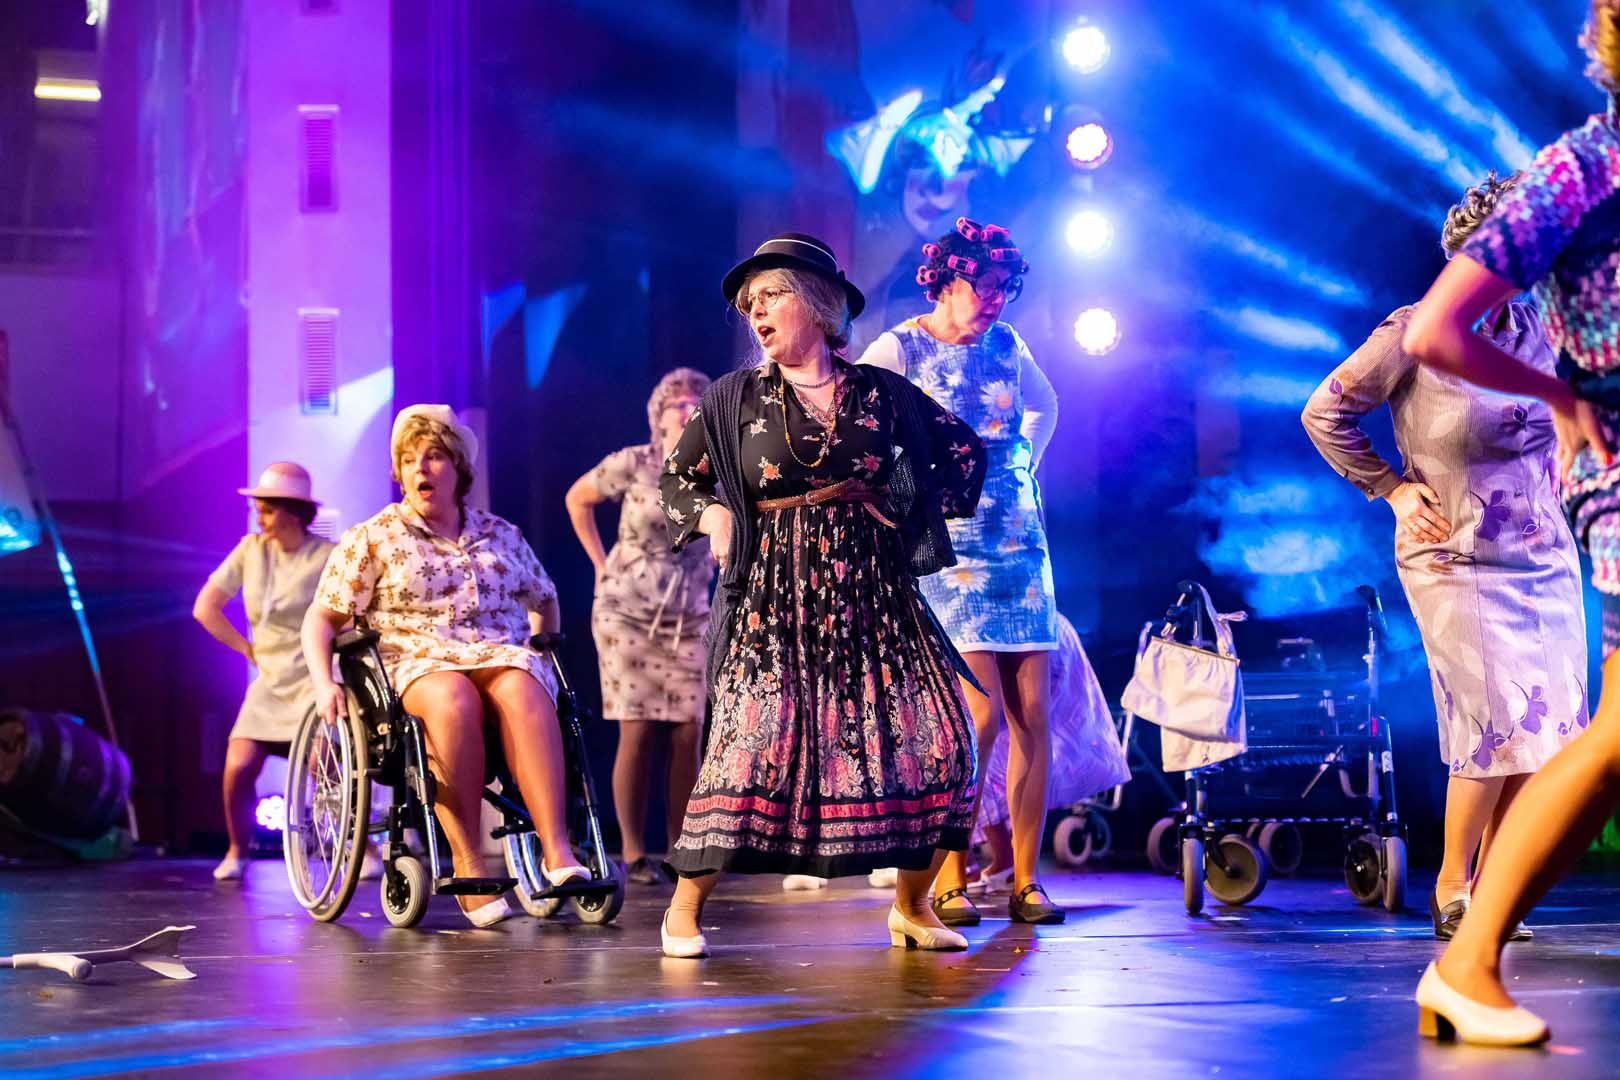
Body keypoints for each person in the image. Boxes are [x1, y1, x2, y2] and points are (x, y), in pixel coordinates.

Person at [656, 232, 987, 958]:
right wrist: (712, 516)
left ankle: (912, 904)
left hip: (873, 600)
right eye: (750, 303)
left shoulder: (878, 393)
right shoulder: (733, 400)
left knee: (941, 743)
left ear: (818, 304)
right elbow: (677, 480)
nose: (756, 312)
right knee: (748, 751)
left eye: (771, 295)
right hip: (773, 605)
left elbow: (963, 452)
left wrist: (903, 509)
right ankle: (683, 907)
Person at [1402, 0, 1620, 1046]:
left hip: (1551, 529)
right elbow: (1437, 331)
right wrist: (1563, 395)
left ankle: (1471, 954)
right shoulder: (1583, 170)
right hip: (1601, 481)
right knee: (1598, 737)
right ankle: (1468, 950)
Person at [1301, 173, 1588, 944]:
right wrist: (1390, 489)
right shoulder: (1413, 332)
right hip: (1452, 554)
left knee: (1547, 737)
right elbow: (1323, 411)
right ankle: (1453, 885)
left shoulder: (1544, 330)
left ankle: (1498, 890)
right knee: (1492, 724)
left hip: (1543, 557)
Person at [302, 405, 587, 927]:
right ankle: (468, 861)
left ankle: (557, 850)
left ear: (458, 467)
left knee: (525, 686)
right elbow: (321, 619)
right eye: (409, 459)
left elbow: (544, 596)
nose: (420, 468)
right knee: (454, 696)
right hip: (418, 659)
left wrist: (540, 652)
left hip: (497, 652)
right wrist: (325, 683)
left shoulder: (500, 534)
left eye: (433, 456)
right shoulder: (374, 537)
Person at [857, 217, 1065, 925]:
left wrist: (1019, 467)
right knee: (976, 717)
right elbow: (864, 430)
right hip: (949, 547)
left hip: (1019, 539)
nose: (997, 299)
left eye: (1007, 287)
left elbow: (1045, 406)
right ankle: (949, 875)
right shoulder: (900, 347)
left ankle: (1027, 881)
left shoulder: (1008, 344)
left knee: (1032, 714)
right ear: (948, 281)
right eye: (987, 285)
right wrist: (905, 496)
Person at [565, 368, 714, 885]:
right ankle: (631, 852)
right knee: (639, 729)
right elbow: (577, 498)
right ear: (659, 416)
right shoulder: (635, 463)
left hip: (690, 614)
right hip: (627, 611)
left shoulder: (718, 470)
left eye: (697, 402)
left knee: (688, 732)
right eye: (679, 404)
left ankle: (681, 848)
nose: (689, 409)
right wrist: (599, 563)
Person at [194, 462, 338, 881]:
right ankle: (238, 850)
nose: (260, 517)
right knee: (238, 765)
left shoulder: (327, 556)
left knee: (324, 765)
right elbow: (205, 607)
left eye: (269, 509)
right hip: (269, 682)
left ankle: (356, 847)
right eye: (259, 508)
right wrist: (246, 649)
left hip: (312, 676)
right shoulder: (250, 550)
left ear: (294, 512)